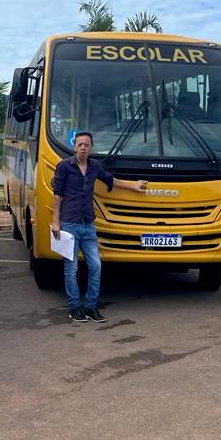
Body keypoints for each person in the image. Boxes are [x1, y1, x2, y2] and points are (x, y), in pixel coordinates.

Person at [51, 131, 148, 323]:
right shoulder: (63, 167)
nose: (83, 148)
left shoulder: (95, 167)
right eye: (80, 144)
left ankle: (91, 307)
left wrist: (133, 186)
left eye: (87, 145)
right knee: (71, 269)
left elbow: (111, 180)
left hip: (88, 225)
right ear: (74, 146)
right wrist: (56, 221)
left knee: (96, 265)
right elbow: (57, 195)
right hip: (69, 224)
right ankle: (74, 307)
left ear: (90, 147)